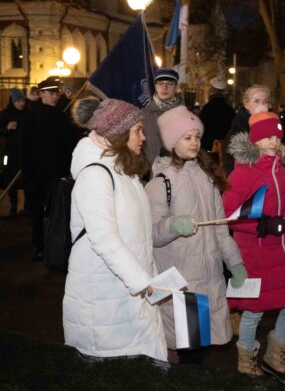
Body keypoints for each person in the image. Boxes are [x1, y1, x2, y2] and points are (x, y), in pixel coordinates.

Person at [62, 97, 167, 361]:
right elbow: (104, 239)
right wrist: (142, 281)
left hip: (128, 297)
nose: (143, 137)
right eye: (137, 130)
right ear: (119, 134)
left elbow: (137, 236)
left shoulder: (124, 173)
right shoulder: (95, 176)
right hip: (103, 305)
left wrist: (149, 276)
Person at [145, 105, 246, 365]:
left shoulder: (207, 178)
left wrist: (234, 262)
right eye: (186, 137)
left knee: (198, 349)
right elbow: (151, 235)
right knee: (189, 352)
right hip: (181, 282)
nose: (194, 142)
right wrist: (173, 226)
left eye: (196, 137)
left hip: (208, 279)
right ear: (171, 141)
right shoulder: (161, 183)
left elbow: (220, 228)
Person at [222, 111, 285, 384]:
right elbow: (229, 213)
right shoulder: (242, 171)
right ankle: (246, 360)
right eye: (268, 136)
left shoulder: (279, 167)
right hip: (253, 250)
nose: (273, 141)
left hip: (280, 249)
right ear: (255, 139)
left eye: (277, 136)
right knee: (253, 310)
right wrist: (261, 227)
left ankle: (274, 355)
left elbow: (275, 204)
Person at [19, 78, 76, 261]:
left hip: (59, 174)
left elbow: (70, 147)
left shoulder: (62, 117)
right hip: (37, 175)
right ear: (41, 94)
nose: (54, 97)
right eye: (51, 93)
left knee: (59, 213)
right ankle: (39, 245)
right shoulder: (30, 118)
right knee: (37, 214)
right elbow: (24, 149)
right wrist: (27, 177)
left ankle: (57, 247)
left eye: (56, 94)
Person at [222, 84, 271, 176]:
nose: (262, 105)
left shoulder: (271, 127)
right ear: (246, 104)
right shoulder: (238, 130)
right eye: (256, 101)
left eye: (265, 101)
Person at [143, 68, 186, 169]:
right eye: (160, 83)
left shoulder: (186, 115)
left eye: (169, 83)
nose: (164, 87)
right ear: (155, 87)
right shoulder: (143, 114)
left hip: (178, 172)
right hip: (150, 174)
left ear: (176, 87)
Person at [0, 88, 27, 218]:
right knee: (10, 177)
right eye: (18, 101)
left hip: (25, 152)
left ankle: (27, 208)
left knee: (27, 179)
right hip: (9, 153)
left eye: (23, 101)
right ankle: (13, 207)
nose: (21, 104)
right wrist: (7, 128)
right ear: (12, 101)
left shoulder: (28, 114)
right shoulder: (5, 114)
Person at [199, 77, 235, 152]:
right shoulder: (230, 110)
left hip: (208, 147)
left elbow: (202, 128)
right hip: (225, 148)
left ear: (212, 89)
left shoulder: (207, 108)